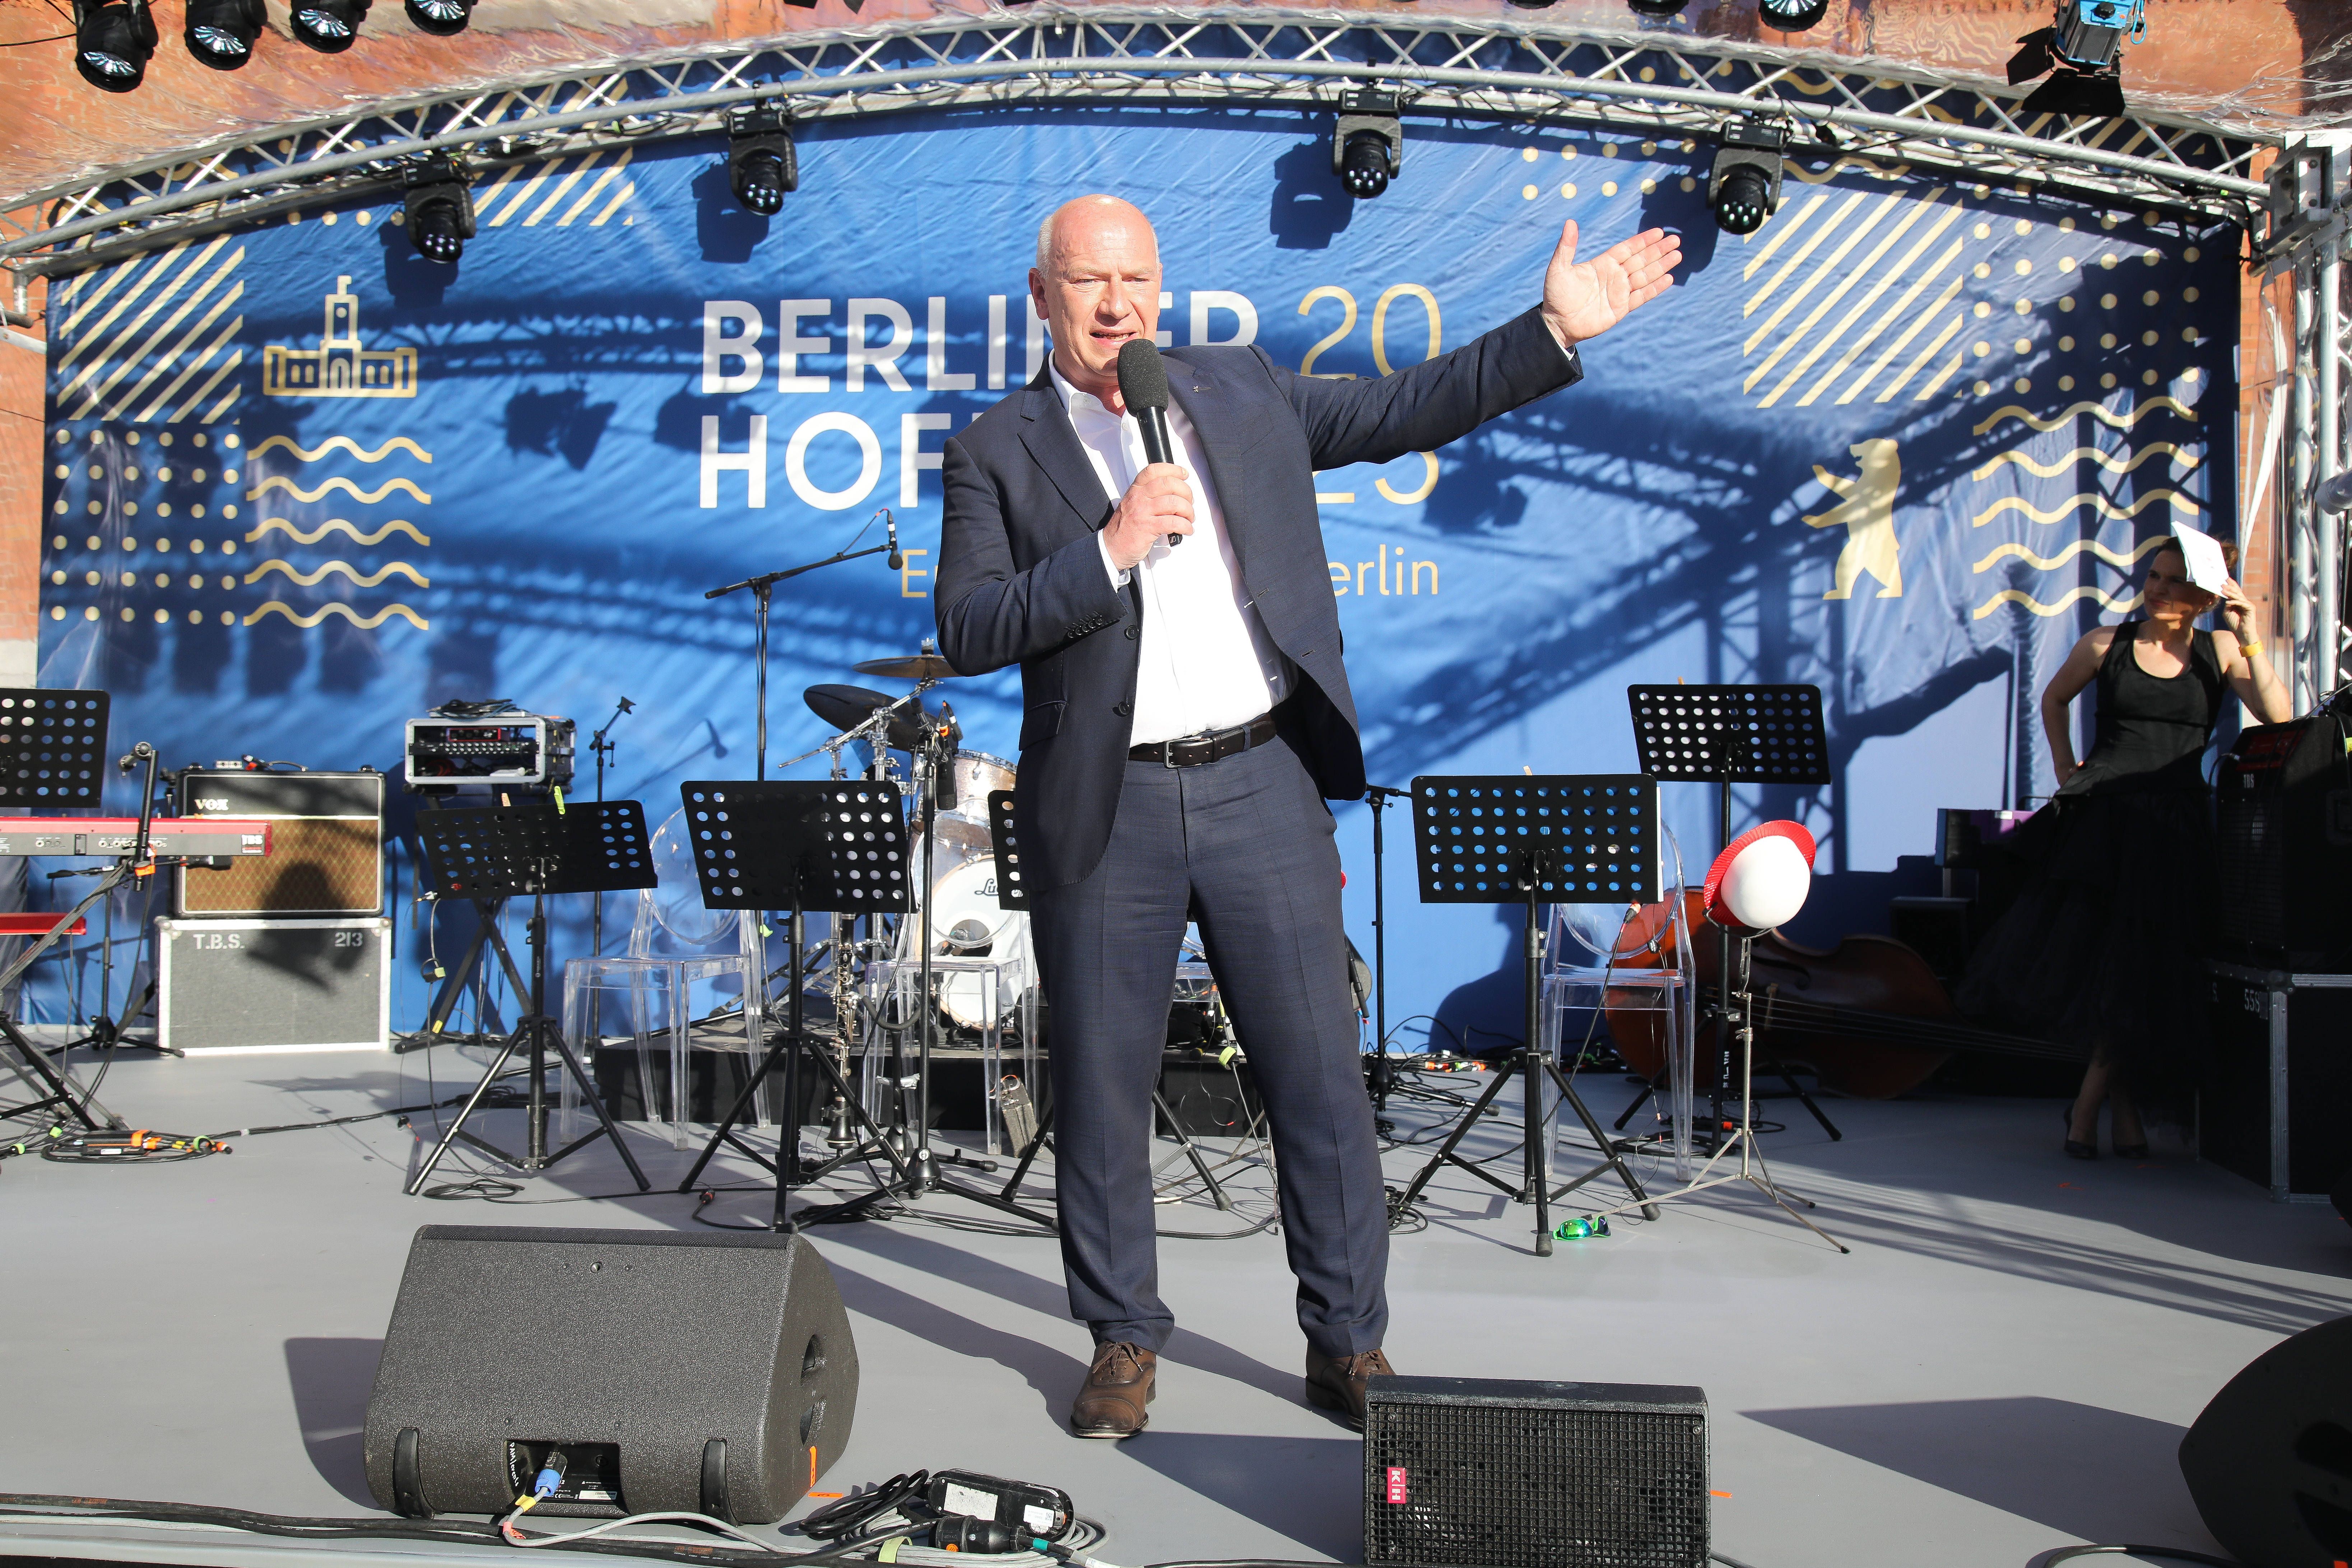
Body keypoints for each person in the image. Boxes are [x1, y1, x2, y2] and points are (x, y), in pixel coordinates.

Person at [933, 195, 1679, 1437]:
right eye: (1087, 283)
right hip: (1103, 805)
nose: (1116, 305)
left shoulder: (1237, 389)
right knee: (1105, 1089)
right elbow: (967, 627)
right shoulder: (996, 448)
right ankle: (1122, 1334)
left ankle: (1348, 1337)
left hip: (1258, 782)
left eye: (1136, 279)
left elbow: (1403, 408)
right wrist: (1108, 550)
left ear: (1160, 287)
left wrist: (1551, 329)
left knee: (1322, 1082)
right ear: (1042, 293)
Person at [1957, 539, 2292, 1158]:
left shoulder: (2219, 649)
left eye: (2172, 582)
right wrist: (2063, 765)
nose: (2157, 589)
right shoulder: (2105, 644)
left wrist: (2248, 635)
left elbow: (2278, 718)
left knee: (2146, 972)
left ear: (2203, 597)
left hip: (2174, 829)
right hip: (2103, 824)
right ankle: (2093, 1110)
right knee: (2115, 971)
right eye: (2153, 576)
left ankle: (2106, 1107)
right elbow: (2054, 698)